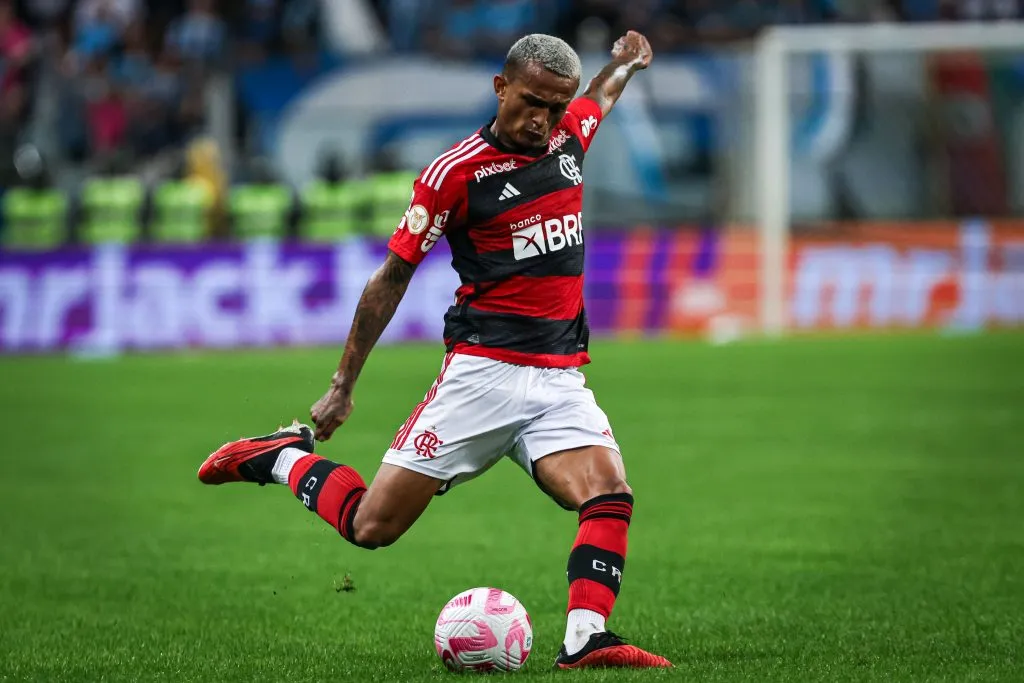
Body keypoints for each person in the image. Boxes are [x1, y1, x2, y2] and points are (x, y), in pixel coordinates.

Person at [198, 31, 670, 670]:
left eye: (555, 108)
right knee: (371, 527)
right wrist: (343, 383)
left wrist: (626, 62)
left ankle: (586, 639)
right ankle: (279, 458)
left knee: (608, 493)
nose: (544, 119)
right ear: (501, 88)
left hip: (560, 377)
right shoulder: (455, 175)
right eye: (532, 102)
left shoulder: (568, 138)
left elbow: (600, 97)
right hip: (482, 376)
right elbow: (391, 278)